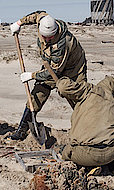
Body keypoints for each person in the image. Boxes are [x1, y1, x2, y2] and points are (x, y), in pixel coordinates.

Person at [9, 11, 87, 140]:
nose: (47, 40)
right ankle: (22, 129)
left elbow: (54, 72)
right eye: (45, 37)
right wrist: (19, 23)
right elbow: (36, 15)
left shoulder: (62, 45)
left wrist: (32, 75)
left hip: (74, 69)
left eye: (50, 38)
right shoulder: (44, 21)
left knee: (76, 97)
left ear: (55, 33)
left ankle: (87, 128)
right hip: (51, 64)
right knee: (38, 92)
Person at [48, 75, 114, 175]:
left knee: (65, 151)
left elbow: (63, 87)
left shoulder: (89, 92)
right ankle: (113, 168)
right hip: (109, 155)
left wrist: (61, 78)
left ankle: (86, 168)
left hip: (82, 154)